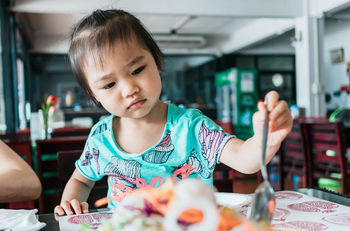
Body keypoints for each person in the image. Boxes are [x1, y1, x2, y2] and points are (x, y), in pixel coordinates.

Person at [55, 9, 292, 216]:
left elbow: (244, 159)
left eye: (137, 70)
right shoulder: (101, 138)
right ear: (93, 94)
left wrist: (265, 140)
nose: (129, 89)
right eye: (109, 85)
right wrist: (70, 204)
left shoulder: (192, 127)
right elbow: (80, 179)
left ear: (157, 61)